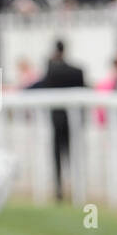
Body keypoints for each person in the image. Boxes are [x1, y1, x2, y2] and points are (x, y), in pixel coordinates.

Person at [27, 41, 86, 200]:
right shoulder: (77, 71)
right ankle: (77, 189)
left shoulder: (52, 70)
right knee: (74, 154)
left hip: (57, 120)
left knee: (58, 155)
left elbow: (40, 86)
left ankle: (59, 189)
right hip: (74, 121)